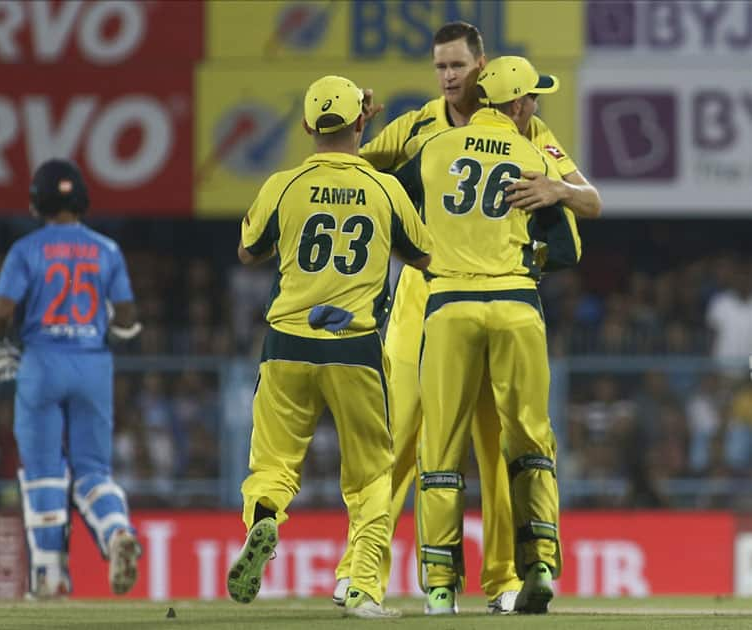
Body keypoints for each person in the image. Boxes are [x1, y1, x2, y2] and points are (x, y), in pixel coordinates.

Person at [333, 21, 601, 615]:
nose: (449, 76)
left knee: (490, 442)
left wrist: (556, 190)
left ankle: (497, 578)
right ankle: (361, 574)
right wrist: (357, 129)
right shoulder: (421, 123)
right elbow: (353, 170)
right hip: (424, 303)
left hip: (453, 299)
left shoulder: (526, 127)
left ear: (483, 67)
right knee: (399, 439)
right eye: (441, 67)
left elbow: (587, 196)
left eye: (458, 65)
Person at [226, 75, 432, 619]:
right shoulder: (385, 188)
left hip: (287, 344)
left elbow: (248, 251)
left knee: (272, 462)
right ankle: (362, 589)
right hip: (355, 347)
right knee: (370, 476)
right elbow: (424, 255)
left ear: (305, 126)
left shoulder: (283, 185)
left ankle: (265, 517)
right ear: (362, 122)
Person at [395, 55, 578, 615]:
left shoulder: (435, 151)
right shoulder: (532, 157)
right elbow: (569, 250)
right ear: (517, 105)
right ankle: (540, 563)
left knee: (443, 449)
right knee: (529, 442)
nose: (536, 108)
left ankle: (443, 587)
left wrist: (427, 257)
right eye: (534, 101)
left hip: (449, 308)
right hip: (517, 308)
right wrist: (530, 256)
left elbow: (389, 210)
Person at [0, 159, 143, 599]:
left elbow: (1, 312)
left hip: (42, 363)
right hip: (93, 365)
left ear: (38, 202)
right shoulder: (107, 250)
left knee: (44, 472)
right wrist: (120, 326)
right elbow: (127, 314)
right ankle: (115, 533)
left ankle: (50, 576)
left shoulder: (27, 249)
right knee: (94, 470)